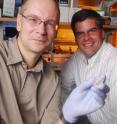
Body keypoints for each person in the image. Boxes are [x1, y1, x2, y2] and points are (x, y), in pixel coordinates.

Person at [0, 0, 61, 124]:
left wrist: (65, 119)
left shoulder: (53, 82)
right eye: (33, 19)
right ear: (19, 22)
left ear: (56, 31)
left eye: (50, 23)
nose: (42, 30)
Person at [61, 9, 117, 124]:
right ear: (76, 38)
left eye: (92, 31)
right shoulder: (76, 59)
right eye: (80, 33)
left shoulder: (114, 63)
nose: (86, 38)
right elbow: (63, 86)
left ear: (102, 33)